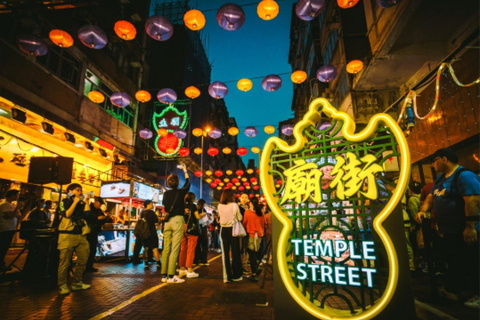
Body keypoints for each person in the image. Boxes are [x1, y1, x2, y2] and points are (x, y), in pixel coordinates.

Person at [415, 148, 480, 308]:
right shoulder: (440, 179)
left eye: (434, 160)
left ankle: (476, 296)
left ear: (444, 159)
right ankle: (460, 292)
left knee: (472, 262)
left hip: (465, 230)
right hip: (448, 230)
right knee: (457, 262)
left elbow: (472, 200)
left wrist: (470, 227)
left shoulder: (464, 176)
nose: (433, 164)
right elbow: (431, 197)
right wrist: (423, 211)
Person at [57, 183, 93, 295]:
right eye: (78, 190)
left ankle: (77, 282)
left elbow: (87, 214)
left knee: (83, 259)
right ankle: (62, 285)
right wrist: (76, 202)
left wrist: (86, 201)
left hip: (81, 235)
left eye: (81, 190)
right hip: (67, 235)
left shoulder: (82, 203)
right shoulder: (64, 202)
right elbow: (67, 214)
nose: (80, 192)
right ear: (70, 191)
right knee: (65, 262)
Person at [160, 164, 190, 284]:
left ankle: (164, 275)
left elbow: (165, 207)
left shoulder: (166, 194)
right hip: (177, 220)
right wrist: (185, 170)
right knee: (175, 248)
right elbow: (188, 184)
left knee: (166, 248)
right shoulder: (181, 192)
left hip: (167, 222)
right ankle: (172, 276)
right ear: (177, 183)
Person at [218, 189, 243, 283]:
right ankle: (236, 275)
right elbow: (240, 218)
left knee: (225, 253)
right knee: (235, 252)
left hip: (223, 230)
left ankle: (226, 276)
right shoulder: (234, 205)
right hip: (232, 230)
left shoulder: (219, 206)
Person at [242, 197, 265, 282]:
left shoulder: (247, 212)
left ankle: (254, 273)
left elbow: (244, 223)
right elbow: (264, 224)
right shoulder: (261, 213)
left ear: (251, 203)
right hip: (259, 236)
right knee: (255, 253)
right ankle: (257, 268)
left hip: (251, 235)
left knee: (251, 255)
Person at [0, 190, 23, 272]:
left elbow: (19, 215)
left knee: (5, 247)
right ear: (12, 195)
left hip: (10, 228)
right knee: (3, 247)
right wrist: (17, 208)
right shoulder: (5, 204)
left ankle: (2, 264)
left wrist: (16, 210)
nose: (18, 197)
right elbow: (11, 215)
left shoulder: (11, 205)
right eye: (17, 195)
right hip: (5, 229)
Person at [179, 192, 201, 278]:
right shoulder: (193, 206)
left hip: (182, 228)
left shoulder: (182, 206)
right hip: (191, 230)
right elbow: (197, 217)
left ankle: (182, 269)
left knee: (183, 249)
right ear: (192, 198)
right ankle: (189, 270)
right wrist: (201, 215)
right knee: (191, 250)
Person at [84, 197, 106, 273]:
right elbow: (89, 218)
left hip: (95, 232)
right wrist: (97, 218)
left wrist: (101, 218)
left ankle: (89, 266)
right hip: (88, 232)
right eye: (100, 203)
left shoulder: (99, 210)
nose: (100, 205)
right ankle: (85, 267)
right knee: (87, 250)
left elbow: (103, 218)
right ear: (95, 202)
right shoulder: (89, 208)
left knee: (93, 249)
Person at [141, 200, 161, 269]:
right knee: (155, 248)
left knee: (146, 248)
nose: (152, 205)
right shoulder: (152, 213)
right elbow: (156, 223)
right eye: (152, 203)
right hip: (152, 233)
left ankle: (146, 264)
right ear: (148, 204)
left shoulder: (142, 213)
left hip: (144, 233)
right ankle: (158, 263)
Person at [194, 199, 209, 265]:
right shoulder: (204, 211)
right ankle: (203, 260)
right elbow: (206, 220)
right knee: (205, 244)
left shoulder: (195, 209)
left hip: (196, 229)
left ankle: (196, 260)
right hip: (203, 228)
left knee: (197, 245)